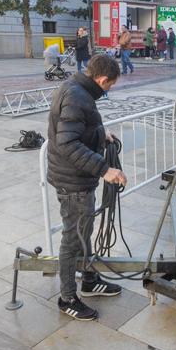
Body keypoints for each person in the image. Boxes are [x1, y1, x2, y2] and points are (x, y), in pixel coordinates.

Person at [47, 54, 127, 321]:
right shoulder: (77, 96)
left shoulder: (76, 88)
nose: (109, 90)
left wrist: (100, 134)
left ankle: (90, 280)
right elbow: (67, 144)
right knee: (73, 239)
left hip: (77, 179)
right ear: (102, 79)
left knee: (84, 233)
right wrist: (105, 169)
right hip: (73, 183)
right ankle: (67, 297)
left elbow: (75, 128)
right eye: (110, 85)